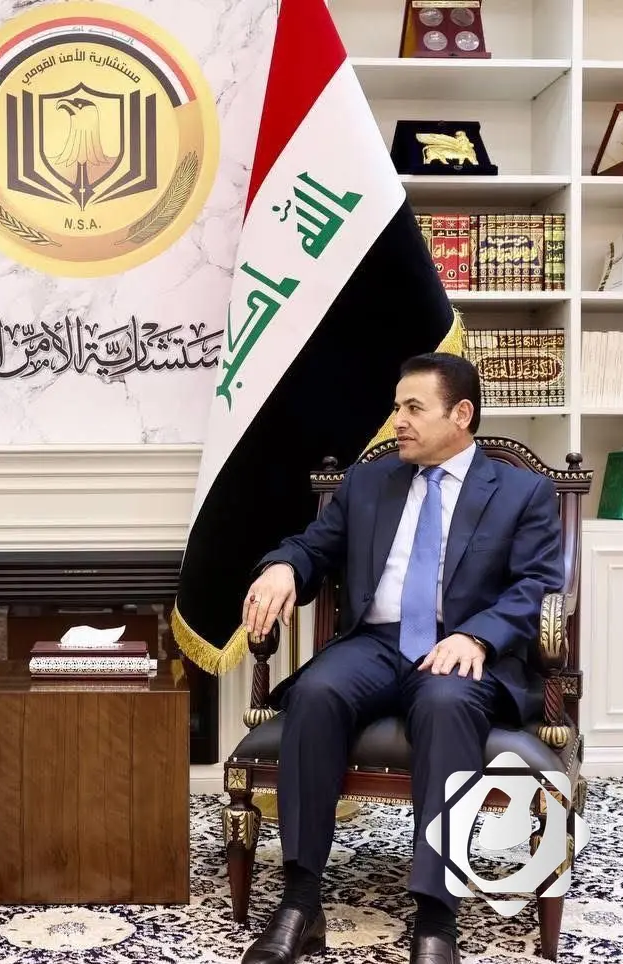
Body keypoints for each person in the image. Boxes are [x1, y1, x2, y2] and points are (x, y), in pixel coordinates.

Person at [238, 353, 563, 964]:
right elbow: (313, 546)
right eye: (396, 407)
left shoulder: (522, 492)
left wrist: (479, 637)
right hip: (376, 644)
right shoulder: (370, 482)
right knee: (316, 692)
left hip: (463, 647)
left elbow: (537, 586)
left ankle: (437, 918)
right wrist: (283, 567)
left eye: (414, 408)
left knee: (445, 704)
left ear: (460, 414)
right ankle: (301, 903)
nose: (398, 422)